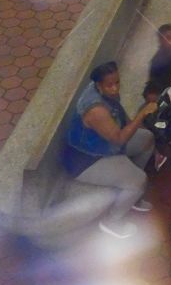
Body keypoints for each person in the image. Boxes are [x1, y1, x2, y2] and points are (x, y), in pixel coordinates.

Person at [63, 61, 158, 238]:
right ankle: (112, 222)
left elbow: (123, 121)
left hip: (105, 145)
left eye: (117, 83)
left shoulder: (104, 91)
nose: (115, 88)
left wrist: (136, 123)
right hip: (87, 160)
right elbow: (119, 138)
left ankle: (131, 190)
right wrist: (142, 114)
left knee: (147, 139)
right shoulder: (96, 109)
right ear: (98, 85)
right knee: (139, 180)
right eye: (110, 85)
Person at [142, 24, 171, 101]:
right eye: (168, 38)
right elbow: (151, 88)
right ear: (160, 40)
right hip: (162, 93)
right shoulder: (157, 62)